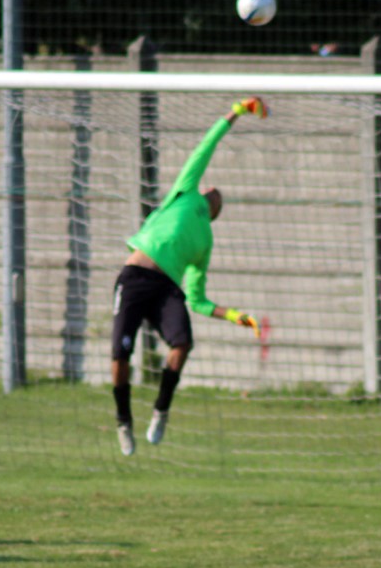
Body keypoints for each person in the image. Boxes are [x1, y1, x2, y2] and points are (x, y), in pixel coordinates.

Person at [111, 97, 267, 456]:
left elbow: (197, 299)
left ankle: (161, 411)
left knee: (182, 345)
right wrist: (236, 111)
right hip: (135, 276)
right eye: (209, 186)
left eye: (216, 194)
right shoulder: (184, 191)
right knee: (120, 356)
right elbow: (206, 146)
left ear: (216, 210)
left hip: (167, 288)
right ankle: (123, 421)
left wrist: (234, 315)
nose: (211, 188)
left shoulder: (205, 240)